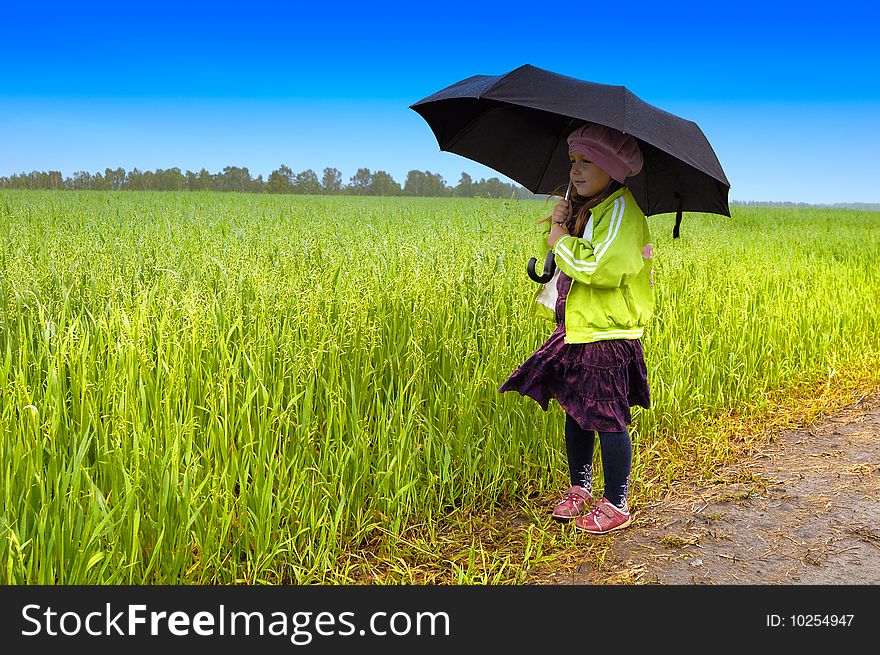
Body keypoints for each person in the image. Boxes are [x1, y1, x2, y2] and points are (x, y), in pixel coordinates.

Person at [499, 123, 654, 535]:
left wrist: (561, 241)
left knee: (607, 417)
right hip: (578, 328)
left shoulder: (621, 211)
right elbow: (560, 267)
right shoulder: (591, 210)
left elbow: (600, 268)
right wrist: (560, 228)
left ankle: (616, 502)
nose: (577, 171)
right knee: (577, 410)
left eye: (588, 161)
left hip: (607, 332)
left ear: (615, 168)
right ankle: (580, 487)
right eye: (573, 161)